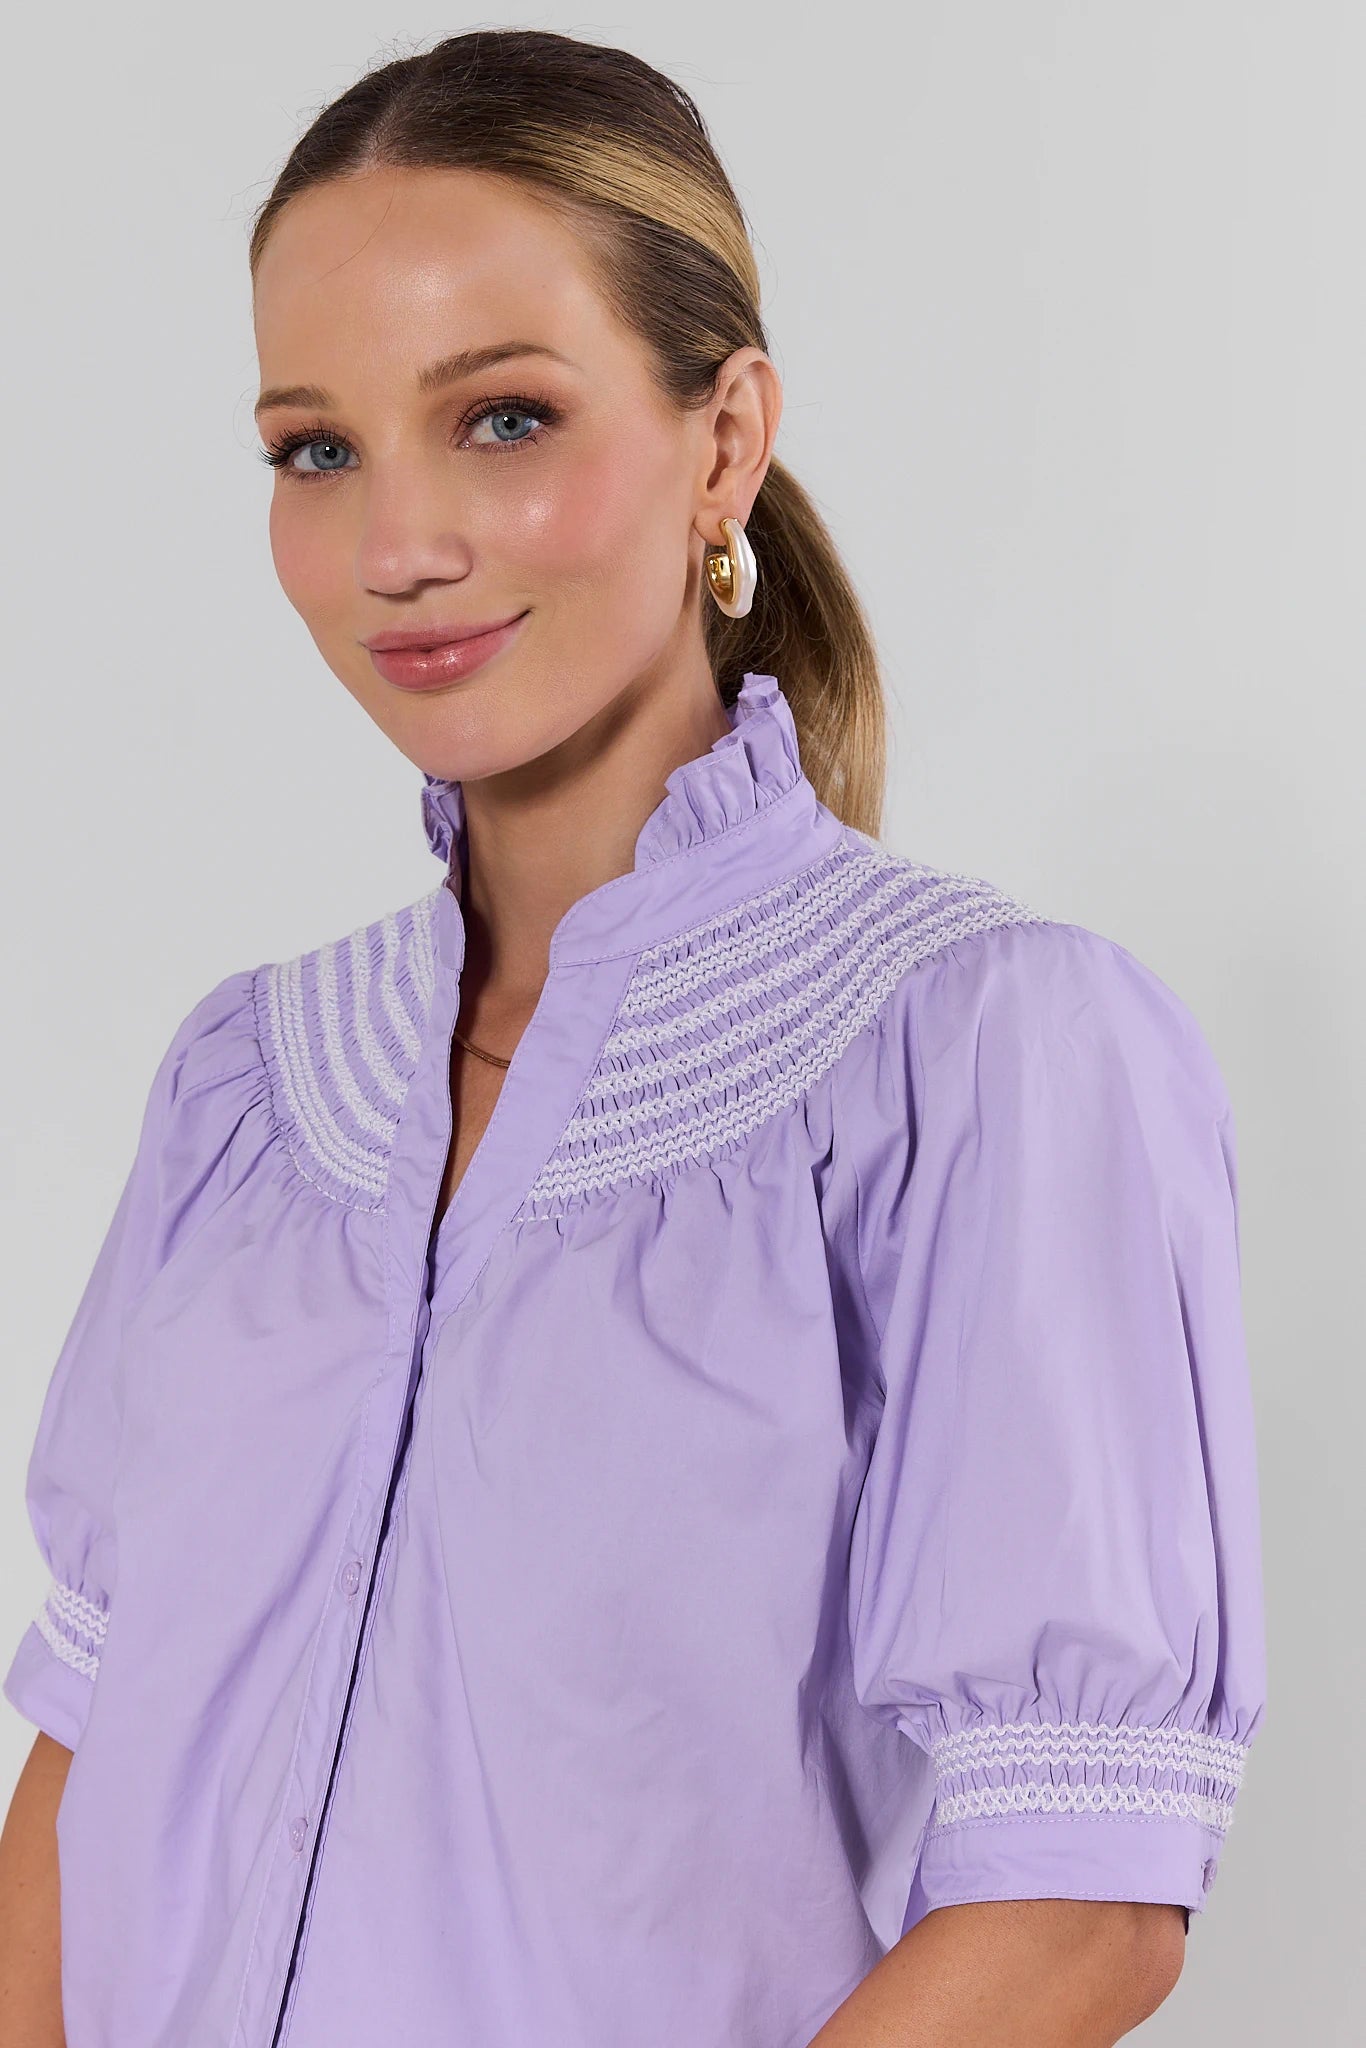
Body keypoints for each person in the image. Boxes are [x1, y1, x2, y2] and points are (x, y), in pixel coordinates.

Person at [0, 27, 1266, 2048]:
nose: (394, 543)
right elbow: (87, 1756)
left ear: (721, 436)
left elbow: (1071, 1901)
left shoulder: (980, 1057)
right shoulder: (244, 1087)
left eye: (498, 417)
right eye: (312, 449)